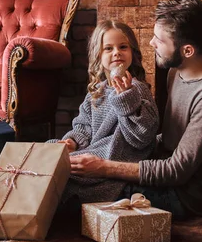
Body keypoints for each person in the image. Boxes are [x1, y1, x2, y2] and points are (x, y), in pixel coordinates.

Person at [69, 0, 202, 219]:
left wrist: (103, 167)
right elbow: (163, 138)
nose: (150, 43)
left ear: (187, 50)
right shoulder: (176, 70)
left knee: (74, 189)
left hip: (182, 197)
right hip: (161, 172)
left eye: (159, 40)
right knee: (74, 174)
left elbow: (175, 171)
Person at [50, 20, 159, 204]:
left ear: (132, 52)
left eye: (123, 47)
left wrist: (126, 98)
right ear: (98, 55)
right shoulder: (97, 91)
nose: (117, 52)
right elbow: (83, 126)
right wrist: (73, 142)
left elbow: (142, 137)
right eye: (108, 48)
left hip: (115, 157)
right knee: (49, 152)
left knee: (62, 174)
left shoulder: (137, 89)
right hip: (93, 150)